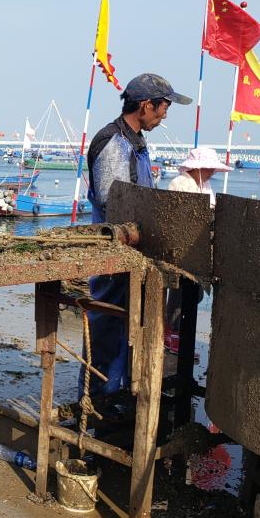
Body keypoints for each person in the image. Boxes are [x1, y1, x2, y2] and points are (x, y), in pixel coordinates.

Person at [85, 73, 191, 395]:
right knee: (107, 331)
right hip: (113, 254)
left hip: (135, 253)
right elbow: (112, 202)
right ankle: (98, 403)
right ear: (146, 105)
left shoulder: (136, 142)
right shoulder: (113, 142)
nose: (165, 115)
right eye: (163, 107)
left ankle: (115, 396)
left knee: (127, 334)